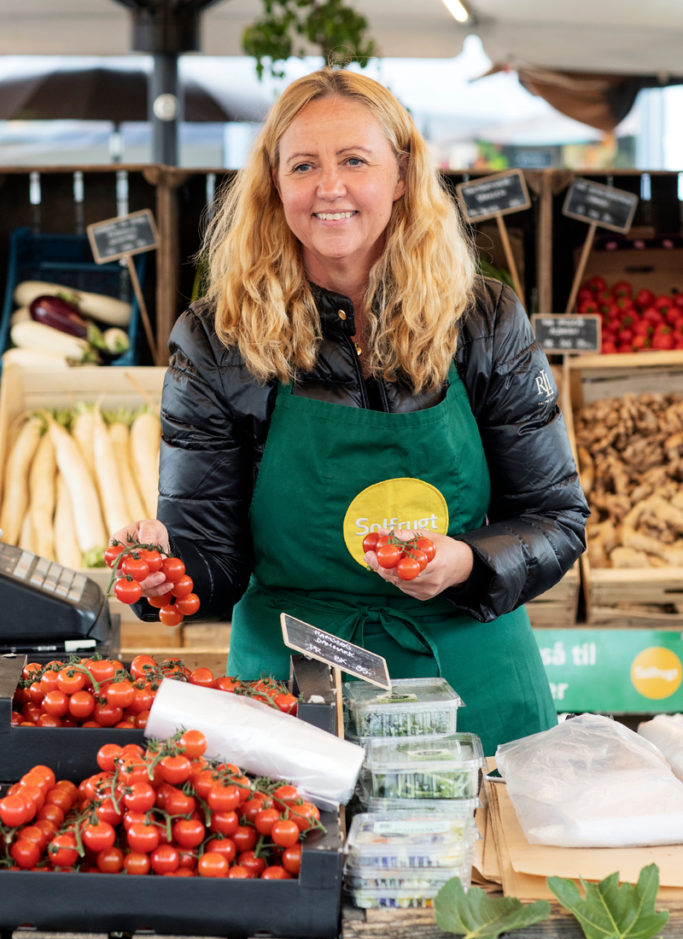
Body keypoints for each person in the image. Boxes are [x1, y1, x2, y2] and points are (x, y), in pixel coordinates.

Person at [113, 67, 589, 755]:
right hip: (292, 696)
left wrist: (464, 561)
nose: (329, 187)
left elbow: (555, 518)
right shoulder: (217, 339)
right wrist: (167, 574)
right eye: (303, 164)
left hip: (471, 685)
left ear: (400, 175)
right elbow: (211, 559)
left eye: (354, 161)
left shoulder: (481, 319)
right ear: (274, 186)